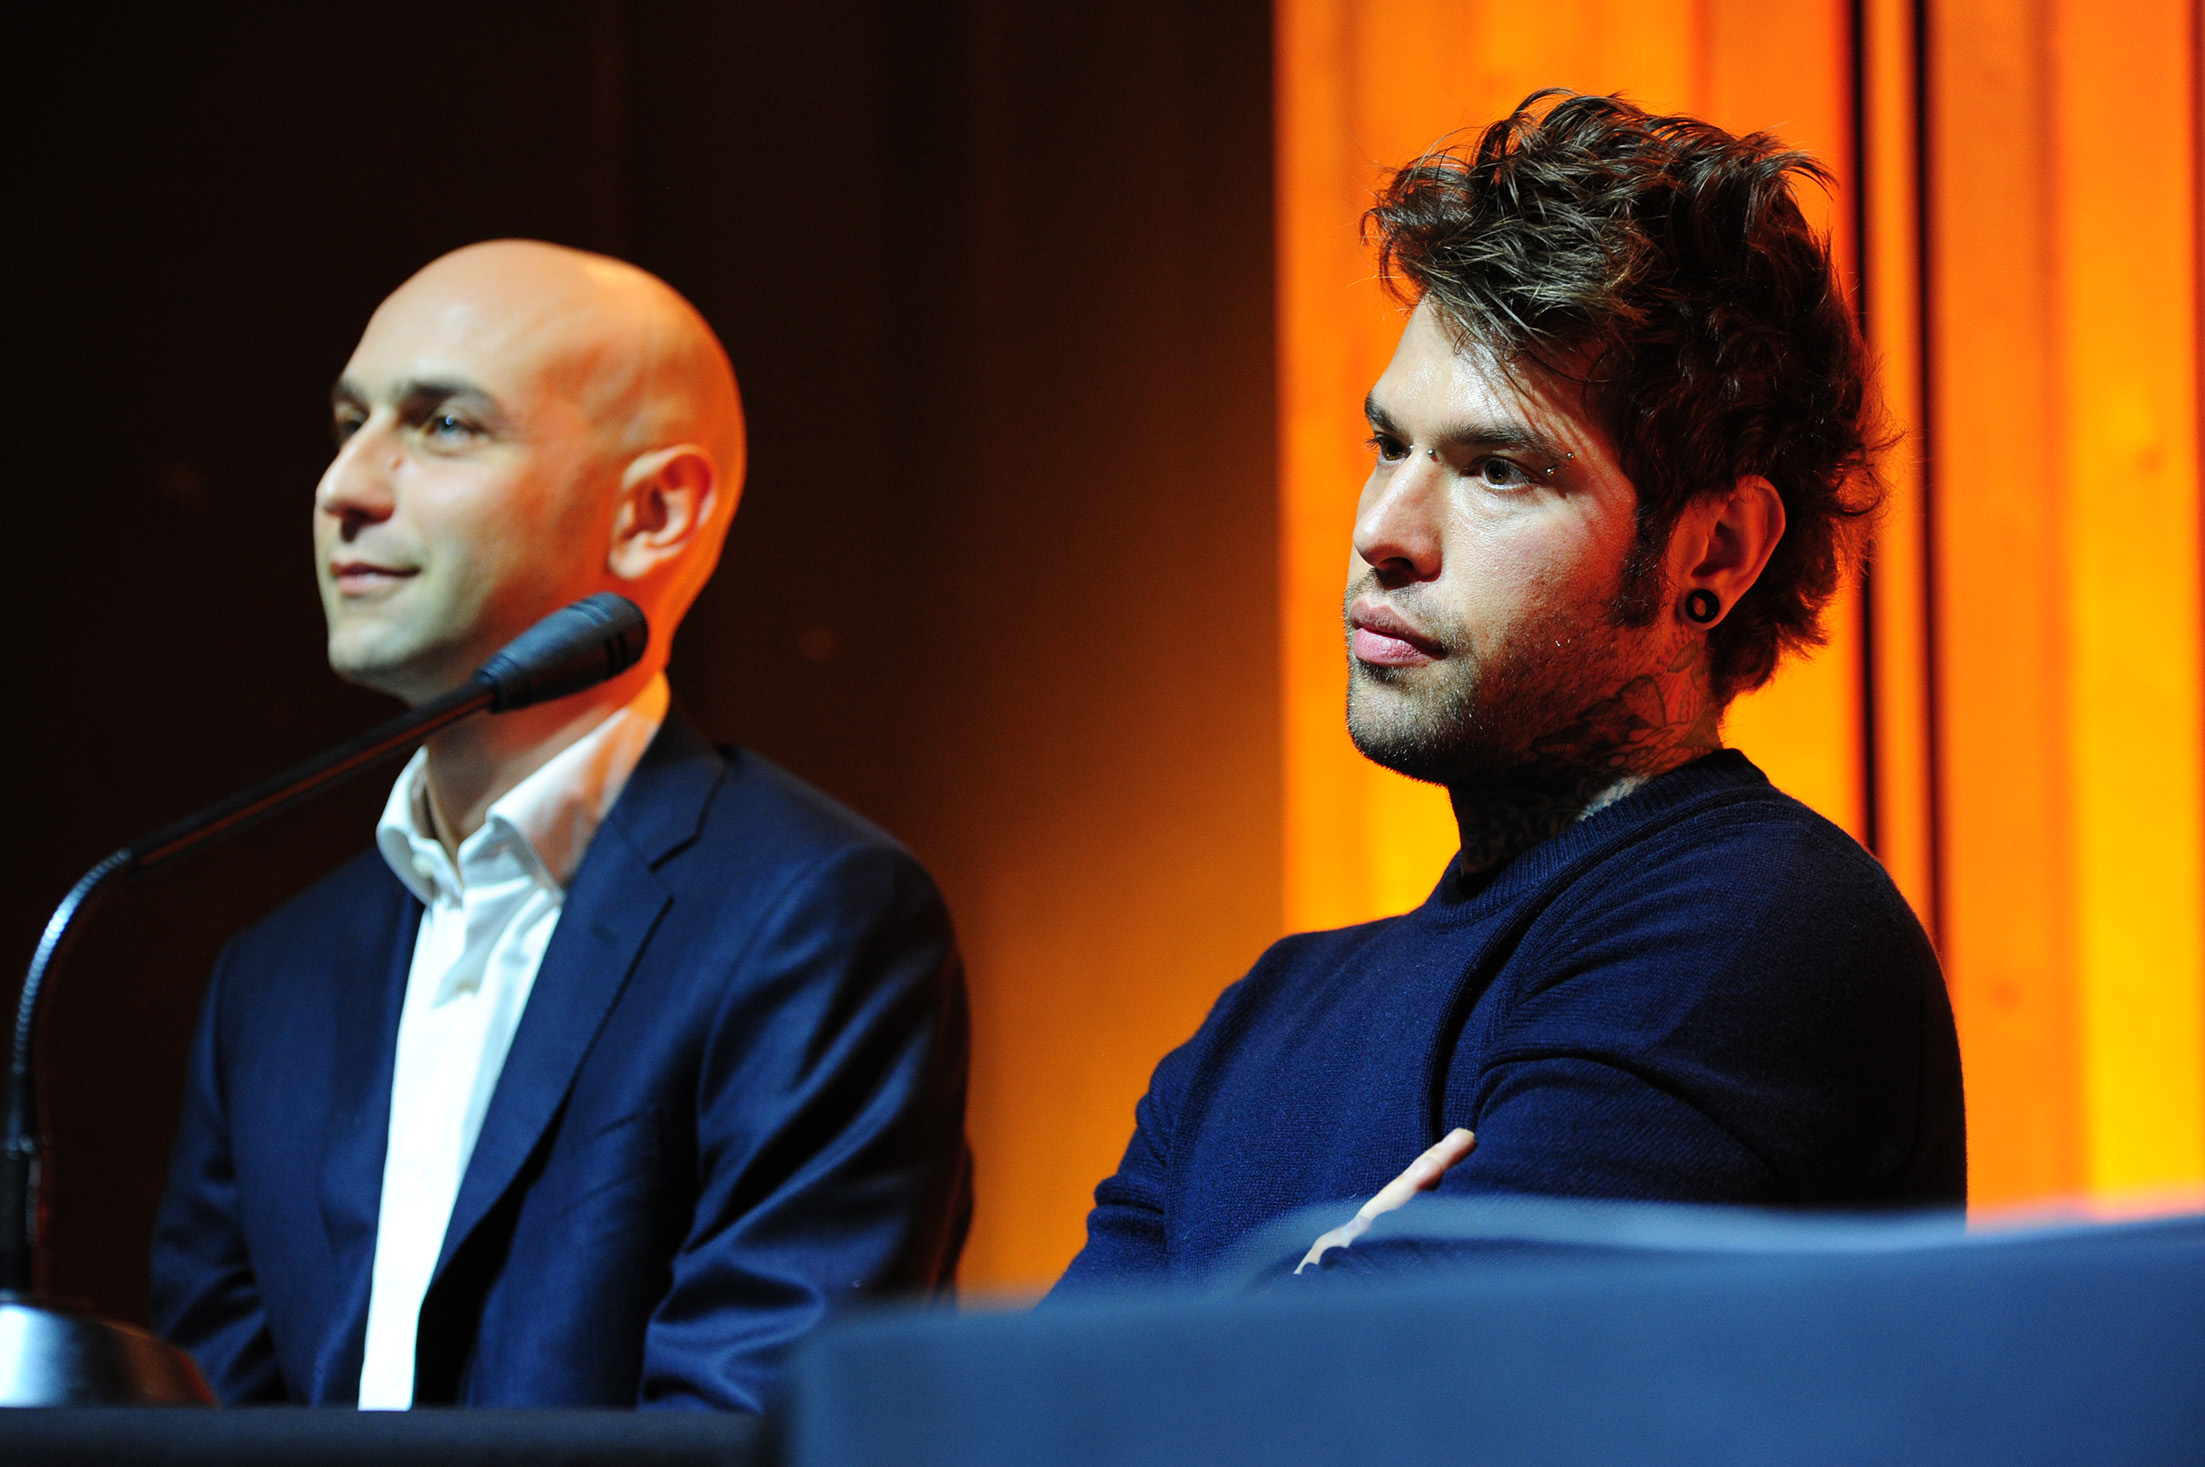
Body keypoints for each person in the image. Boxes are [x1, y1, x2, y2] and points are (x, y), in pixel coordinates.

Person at [1054, 91, 1965, 1292]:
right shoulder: (1253, 1030)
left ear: (1714, 554)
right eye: (1389, 446)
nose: (1385, 532)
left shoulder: (1763, 929)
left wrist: (1282, 1324)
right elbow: (1041, 1397)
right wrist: (1318, 1306)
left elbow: (1410, 1387)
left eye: (1497, 470)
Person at [150, 241, 972, 1408]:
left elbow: (753, 1427)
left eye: (444, 426)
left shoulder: (815, 921)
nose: (344, 487)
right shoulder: (271, 979)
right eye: (348, 422)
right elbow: (200, 1430)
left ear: (653, 513)